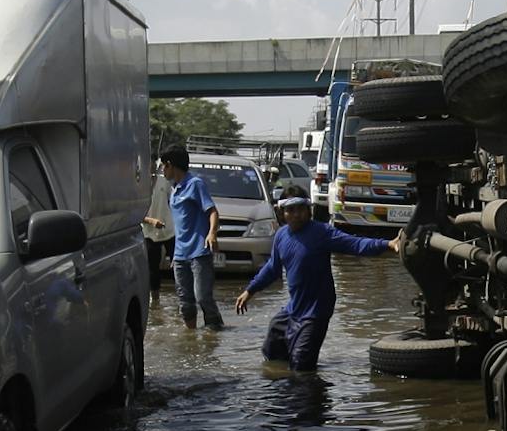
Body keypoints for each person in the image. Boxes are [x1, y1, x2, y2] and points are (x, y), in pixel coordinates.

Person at [234, 189, 401, 371]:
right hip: (293, 309)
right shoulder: (281, 236)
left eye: (300, 209)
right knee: (271, 351)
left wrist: (387, 244)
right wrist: (250, 290)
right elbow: (272, 269)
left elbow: (355, 244)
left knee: (301, 366)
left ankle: (311, 395)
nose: (296, 215)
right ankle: (281, 393)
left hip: (315, 312)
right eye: (290, 210)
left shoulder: (322, 232)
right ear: (282, 213)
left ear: (308, 210)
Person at [153, 144, 224, 329]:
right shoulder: (174, 188)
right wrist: (175, 254)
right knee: (185, 303)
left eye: (163, 166)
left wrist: (212, 233)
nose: (162, 170)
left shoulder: (195, 184)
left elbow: (212, 211)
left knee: (202, 297)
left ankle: (214, 331)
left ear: (170, 165)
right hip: (180, 254)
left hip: (199, 251)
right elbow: (180, 224)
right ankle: (191, 338)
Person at [140, 166, 173, 300]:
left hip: (169, 231)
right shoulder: (139, 186)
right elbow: (135, 213)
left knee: (179, 265)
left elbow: (173, 203)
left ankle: (183, 300)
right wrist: (151, 221)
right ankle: (155, 301)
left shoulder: (164, 181)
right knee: (152, 270)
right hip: (149, 233)